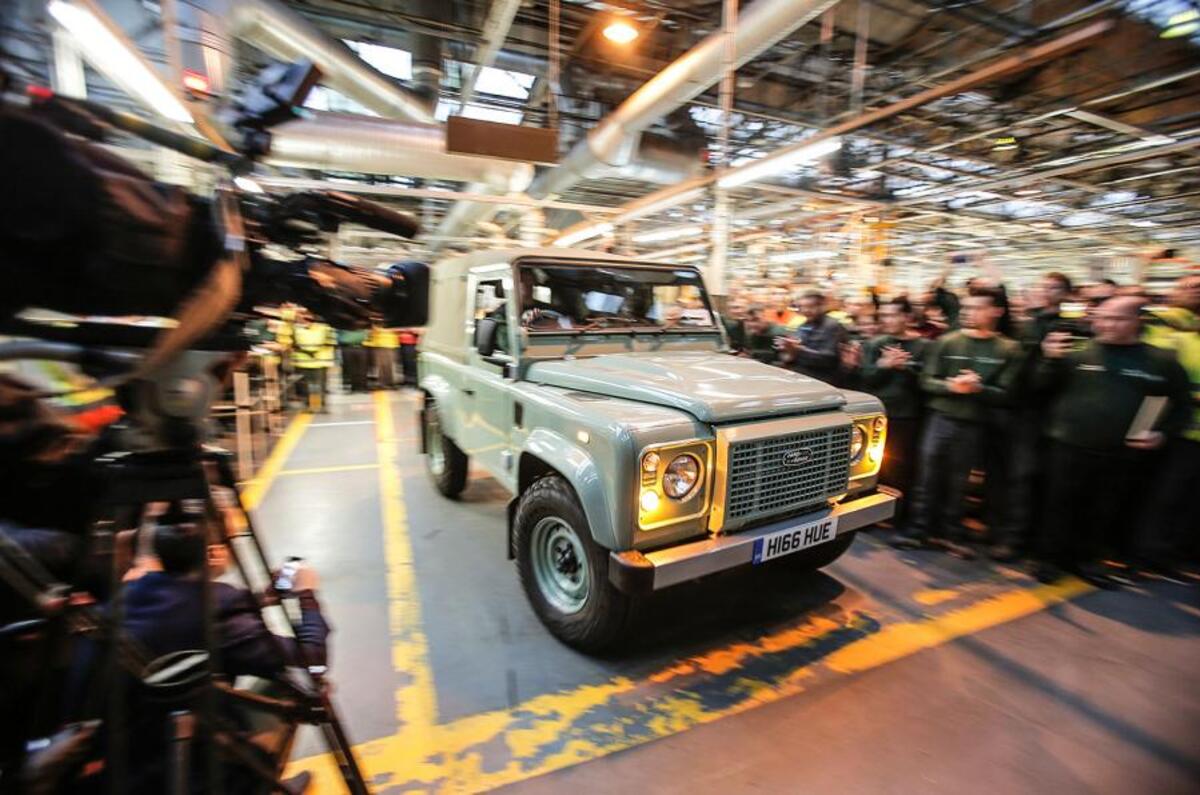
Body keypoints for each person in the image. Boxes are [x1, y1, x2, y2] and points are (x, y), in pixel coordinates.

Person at [71, 507, 329, 793]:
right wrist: (307, 594)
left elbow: (179, 616)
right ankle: (256, 782)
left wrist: (261, 598)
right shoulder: (219, 605)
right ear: (215, 553)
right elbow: (312, 660)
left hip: (111, 763)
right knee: (292, 687)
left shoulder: (131, 592)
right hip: (170, 770)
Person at [1033, 296, 1192, 587]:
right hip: (1068, 445)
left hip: (1121, 452)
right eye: (1101, 317)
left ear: (1137, 322)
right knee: (1058, 505)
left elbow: (1180, 406)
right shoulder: (1077, 353)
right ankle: (1051, 559)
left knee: (1104, 509)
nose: (1105, 324)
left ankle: (1088, 562)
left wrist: (1162, 433)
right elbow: (1040, 388)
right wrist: (1049, 360)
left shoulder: (1161, 361)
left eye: (1116, 319)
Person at [896, 287, 1022, 558]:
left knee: (959, 483)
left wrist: (979, 389)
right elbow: (926, 380)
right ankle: (918, 531)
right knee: (926, 477)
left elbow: (1008, 393)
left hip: (974, 424)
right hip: (940, 419)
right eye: (966, 307)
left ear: (996, 311)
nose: (968, 312)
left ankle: (950, 533)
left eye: (977, 307)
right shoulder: (947, 342)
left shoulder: (1009, 349)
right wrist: (951, 386)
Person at [1137, 275, 1200, 577]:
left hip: (1186, 432)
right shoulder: (1173, 334)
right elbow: (1156, 382)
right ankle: (1149, 553)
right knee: (1164, 496)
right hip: (1176, 432)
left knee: (1188, 500)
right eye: (1189, 285)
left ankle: (1174, 553)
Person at [859, 298, 928, 526]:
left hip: (908, 416)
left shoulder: (925, 347)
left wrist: (905, 369)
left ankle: (898, 515)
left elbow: (927, 383)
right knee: (874, 466)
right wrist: (884, 366)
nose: (886, 320)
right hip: (879, 414)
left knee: (901, 468)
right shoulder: (874, 344)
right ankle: (870, 514)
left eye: (892, 315)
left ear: (907, 318)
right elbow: (865, 377)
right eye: (884, 315)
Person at [778, 291, 848, 382]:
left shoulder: (832, 326)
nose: (806, 310)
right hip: (802, 375)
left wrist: (798, 350)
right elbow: (792, 354)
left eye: (810, 307)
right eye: (802, 307)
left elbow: (829, 359)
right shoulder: (803, 325)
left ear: (821, 306)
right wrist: (788, 350)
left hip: (824, 378)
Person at [291, 311, 336, 413]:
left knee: (321, 386)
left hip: (320, 362)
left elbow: (331, 342)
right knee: (305, 387)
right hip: (303, 362)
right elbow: (293, 343)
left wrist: (313, 351)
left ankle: (323, 406)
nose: (305, 320)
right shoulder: (296, 329)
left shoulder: (325, 328)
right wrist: (306, 352)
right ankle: (307, 406)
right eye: (303, 317)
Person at [365, 324, 399, 389]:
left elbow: (396, 329)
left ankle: (390, 383)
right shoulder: (374, 322)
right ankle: (382, 383)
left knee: (389, 365)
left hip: (390, 345)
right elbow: (371, 331)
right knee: (381, 365)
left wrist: (380, 330)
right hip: (378, 345)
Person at [337, 327, 369, 393]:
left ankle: (363, 386)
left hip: (361, 347)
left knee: (362, 368)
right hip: (347, 347)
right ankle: (353, 387)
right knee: (351, 368)